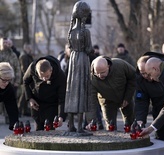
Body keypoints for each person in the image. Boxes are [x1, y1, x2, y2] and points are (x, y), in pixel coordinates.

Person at [135, 54, 164, 148]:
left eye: (147, 73)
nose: (146, 76)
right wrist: (140, 119)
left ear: (153, 68)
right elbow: (141, 101)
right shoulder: (140, 80)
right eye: (142, 73)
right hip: (160, 110)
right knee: (163, 141)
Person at [86, 56, 135, 130]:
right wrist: (91, 120)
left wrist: (128, 97)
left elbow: (134, 77)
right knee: (110, 126)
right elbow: (91, 101)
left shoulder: (120, 65)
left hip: (125, 96)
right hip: (107, 101)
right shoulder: (92, 79)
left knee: (130, 124)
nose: (100, 76)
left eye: (102, 72)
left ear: (108, 66)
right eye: (97, 73)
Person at [65, 1, 92, 133]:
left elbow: (70, 47)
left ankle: (71, 125)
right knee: (81, 90)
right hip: (82, 60)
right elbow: (89, 48)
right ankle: (80, 126)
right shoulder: (85, 32)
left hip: (73, 61)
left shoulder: (70, 32)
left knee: (71, 91)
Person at [23, 56, 65, 131]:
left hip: (52, 105)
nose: (44, 79)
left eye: (47, 76)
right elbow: (25, 82)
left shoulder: (60, 76)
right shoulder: (33, 67)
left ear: (51, 70)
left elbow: (62, 98)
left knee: (50, 131)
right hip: (37, 103)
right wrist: (30, 98)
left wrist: (61, 116)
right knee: (38, 130)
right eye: (41, 77)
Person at [0, 62, 19, 130]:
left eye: (9, 80)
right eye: (4, 80)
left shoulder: (9, 88)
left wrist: (14, 126)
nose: (6, 83)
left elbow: (12, 108)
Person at [18, 43, 34, 117]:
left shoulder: (27, 56)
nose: (30, 50)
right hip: (25, 78)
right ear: (26, 48)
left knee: (25, 95)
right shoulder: (23, 56)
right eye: (29, 48)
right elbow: (24, 68)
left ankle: (24, 110)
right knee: (24, 95)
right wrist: (28, 76)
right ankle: (19, 110)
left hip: (27, 77)